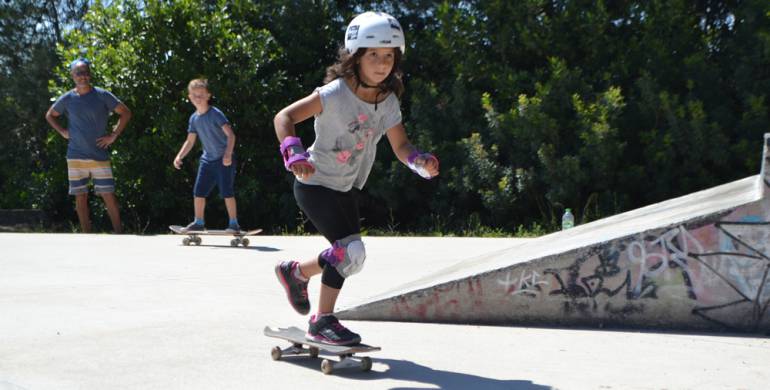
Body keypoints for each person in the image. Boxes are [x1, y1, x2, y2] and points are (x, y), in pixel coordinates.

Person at [273, 11, 439, 345]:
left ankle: (296, 273)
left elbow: (400, 145)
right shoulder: (333, 94)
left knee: (349, 256)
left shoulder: (389, 101)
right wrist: (294, 152)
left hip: (346, 187)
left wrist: (418, 160)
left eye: (389, 56)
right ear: (356, 56)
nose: (382, 64)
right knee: (350, 252)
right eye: (374, 55)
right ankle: (322, 322)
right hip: (314, 183)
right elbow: (285, 116)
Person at [45, 58, 132, 233]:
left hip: (99, 155)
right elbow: (50, 115)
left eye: (85, 72)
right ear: (72, 75)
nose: (82, 76)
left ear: (89, 74)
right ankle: (87, 237)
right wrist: (62, 131)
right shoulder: (68, 98)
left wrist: (113, 135)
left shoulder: (102, 95)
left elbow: (126, 112)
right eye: (78, 73)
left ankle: (120, 234)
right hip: (75, 155)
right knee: (80, 197)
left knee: (108, 196)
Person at [173, 78, 240, 233]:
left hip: (224, 159)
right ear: (190, 97)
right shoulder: (194, 118)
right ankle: (198, 222)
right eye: (195, 95)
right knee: (198, 192)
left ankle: (234, 224)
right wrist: (179, 156)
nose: (198, 98)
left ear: (208, 95)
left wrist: (228, 154)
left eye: (201, 95)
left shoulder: (215, 114)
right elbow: (190, 141)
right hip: (207, 160)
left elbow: (231, 135)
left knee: (227, 192)